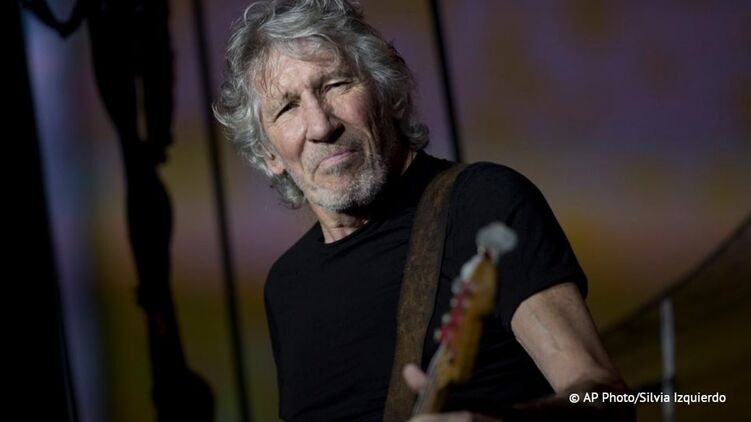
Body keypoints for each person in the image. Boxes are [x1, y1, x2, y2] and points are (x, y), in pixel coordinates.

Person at [214, 1, 632, 421]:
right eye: (287, 108)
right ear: (269, 154)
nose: (322, 126)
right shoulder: (287, 286)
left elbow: (611, 400)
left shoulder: (483, 205)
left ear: (387, 88)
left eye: (336, 85)